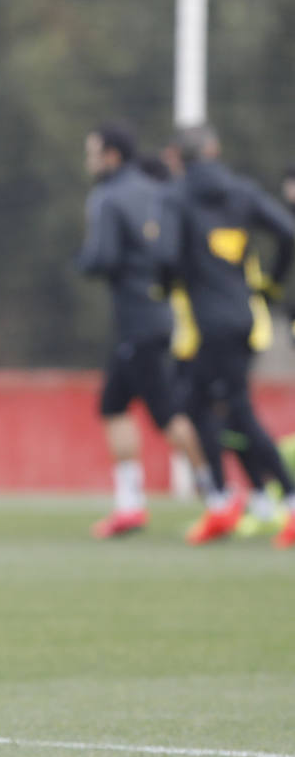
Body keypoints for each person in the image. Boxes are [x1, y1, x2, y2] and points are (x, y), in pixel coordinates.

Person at [75, 124, 231, 540]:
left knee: (167, 413)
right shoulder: (158, 190)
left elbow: (102, 257)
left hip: (137, 322)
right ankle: (130, 505)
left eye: (92, 152)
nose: (88, 160)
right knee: (113, 404)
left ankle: (218, 498)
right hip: (162, 314)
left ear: (111, 156)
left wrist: (84, 261)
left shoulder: (107, 196)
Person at [161, 124, 295, 547]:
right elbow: (288, 231)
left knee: (226, 411)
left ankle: (271, 501)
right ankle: (234, 502)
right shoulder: (242, 191)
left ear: (179, 157)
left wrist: (170, 285)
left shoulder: (177, 196)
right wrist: (271, 284)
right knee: (210, 409)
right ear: (214, 150)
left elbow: (164, 256)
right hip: (244, 316)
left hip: (205, 323)